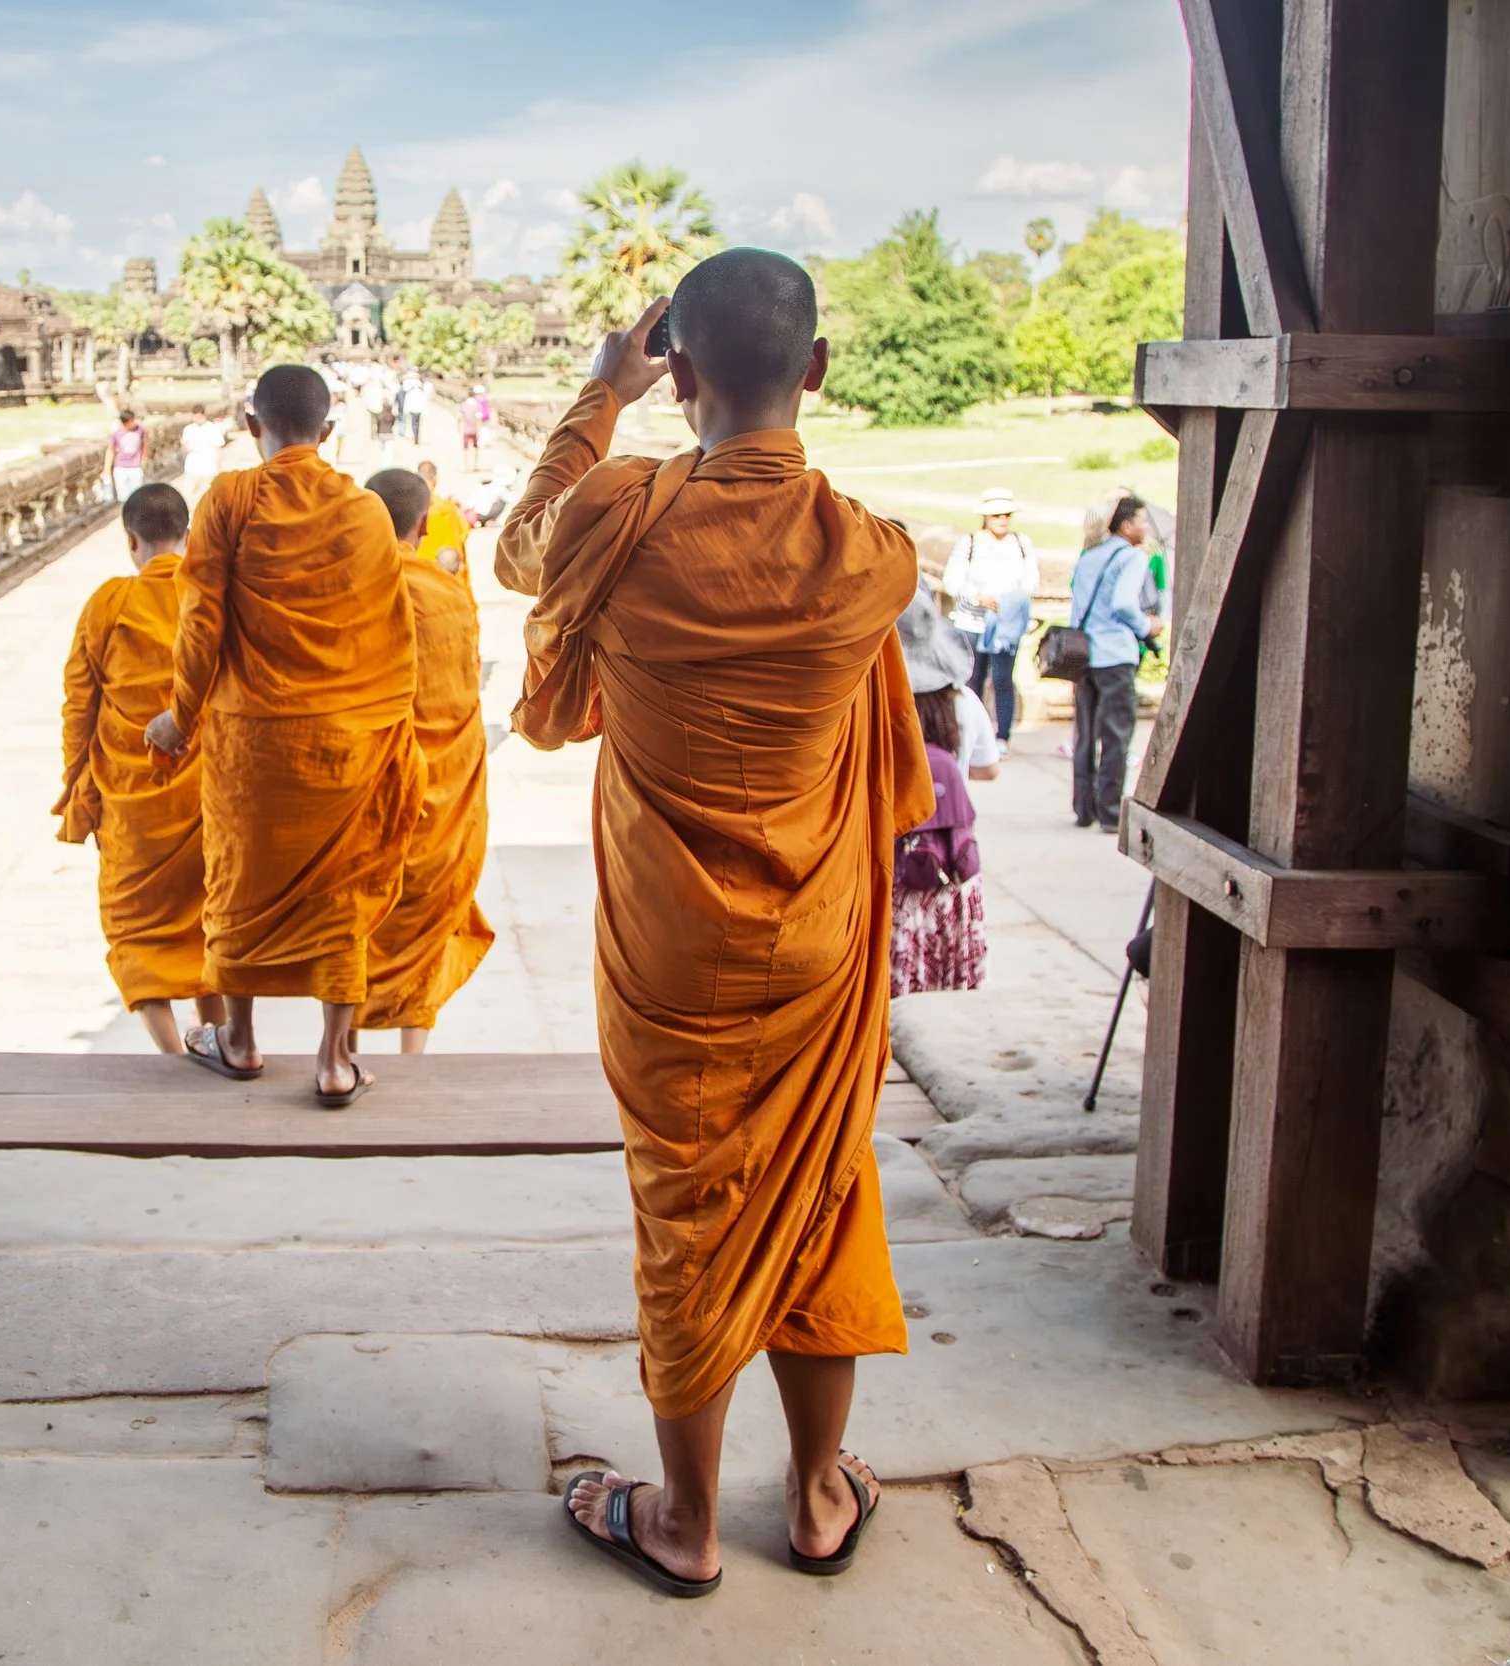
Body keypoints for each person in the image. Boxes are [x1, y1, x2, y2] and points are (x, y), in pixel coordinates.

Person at [496, 253, 928, 1594]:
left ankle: (683, 1518)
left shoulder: (617, 513)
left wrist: (595, 399)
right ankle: (812, 1495)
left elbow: (518, 550)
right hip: (817, 940)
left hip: (673, 943)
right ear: (817, 370)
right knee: (821, 1182)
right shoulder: (875, 557)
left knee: (690, 1199)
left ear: (677, 375)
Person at [145, 364, 420, 1107]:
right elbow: (388, 631)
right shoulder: (365, 511)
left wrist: (181, 715)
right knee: (341, 887)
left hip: (254, 740)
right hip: (345, 739)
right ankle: (334, 1061)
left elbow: (201, 620)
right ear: (328, 432)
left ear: (251, 423)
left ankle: (238, 1040)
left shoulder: (229, 497)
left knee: (238, 881)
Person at [55, 483, 226, 1052]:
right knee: (210, 915)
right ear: (190, 533)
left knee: (136, 927)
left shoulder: (109, 603)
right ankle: (219, 1033)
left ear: (131, 541)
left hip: (129, 800)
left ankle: (174, 1052)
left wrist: (77, 786)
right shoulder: (212, 596)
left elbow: (80, 705)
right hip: (209, 794)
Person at [357, 467, 494, 1051]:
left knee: (358, 912)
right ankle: (414, 1051)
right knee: (428, 907)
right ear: (422, 524)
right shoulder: (448, 600)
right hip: (440, 783)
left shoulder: (345, 592)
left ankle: (341, 1050)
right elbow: (462, 700)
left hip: (366, 785)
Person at [891, 589, 993, 996]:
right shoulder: (965, 702)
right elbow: (989, 767)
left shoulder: (879, 706)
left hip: (894, 868)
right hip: (951, 865)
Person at [1067, 494, 1161, 833]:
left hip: (1085, 653)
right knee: (1117, 736)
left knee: (1086, 733)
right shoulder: (1133, 558)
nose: (1147, 528)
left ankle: (1083, 807)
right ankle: (1109, 812)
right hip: (1115, 654)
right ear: (1126, 525)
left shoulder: (1090, 557)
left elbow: (1077, 605)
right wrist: (1146, 626)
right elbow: (1124, 602)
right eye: (1143, 521)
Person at [936, 488, 1037, 743]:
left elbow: (1030, 580)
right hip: (973, 620)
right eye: (996, 515)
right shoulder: (969, 543)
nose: (1002, 520)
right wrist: (977, 597)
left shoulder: (1021, 544)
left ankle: (1002, 735)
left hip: (1004, 623)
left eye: (1006, 515)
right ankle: (972, 734)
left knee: (1003, 679)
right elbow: (953, 581)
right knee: (973, 680)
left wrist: (1010, 600)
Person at [413, 459, 471, 576]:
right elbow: (462, 534)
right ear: (435, 480)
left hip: (418, 571)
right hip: (445, 572)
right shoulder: (448, 509)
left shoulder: (410, 509)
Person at [180, 404, 225, 504]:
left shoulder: (213, 429)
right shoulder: (188, 430)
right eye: (195, 417)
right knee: (187, 497)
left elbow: (218, 449)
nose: (197, 419)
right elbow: (184, 450)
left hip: (208, 470)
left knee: (207, 500)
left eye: (199, 417)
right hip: (192, 469)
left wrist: (217, 468)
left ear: (204, 415)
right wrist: (183, 445)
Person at [106, 408, 147, 502]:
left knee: (137, 496)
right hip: (120, 467)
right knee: (123, 498)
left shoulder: (140, 429)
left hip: (135, 466)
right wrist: (107, 469)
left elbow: (144, 444)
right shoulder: (116, 433)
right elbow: (110, 450)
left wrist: (144, 459)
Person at [457, 384, 487, 466]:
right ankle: (475, 465)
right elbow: (478, 420)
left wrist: (459, 428)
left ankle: (466, 465)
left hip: (466, 430)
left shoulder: (463, 405)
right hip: (474, 429)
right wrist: (478, 431)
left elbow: (460, 418)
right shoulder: (477, 406)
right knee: (475, 448)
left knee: (466, 449)